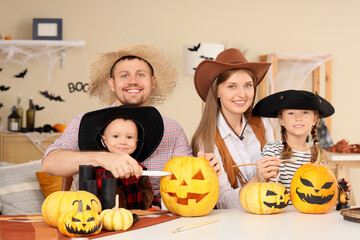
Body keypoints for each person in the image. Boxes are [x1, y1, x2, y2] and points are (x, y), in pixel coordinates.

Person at [42, 44, 220, 200]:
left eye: (140, 75)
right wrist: (102, 158)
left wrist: (204, 168)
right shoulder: (84, 122)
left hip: (153, 223)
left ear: (153, 82)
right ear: (112, 84)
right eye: (124, 75)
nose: (133, 81)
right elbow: (49, 163)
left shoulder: (172, 130)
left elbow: (188, 178)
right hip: (93, 220)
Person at [191, 48, 274, 209]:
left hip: (268, 213)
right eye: (232, 86)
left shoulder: (263, 124)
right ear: (217, 91)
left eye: (248, 85)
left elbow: (277, 179)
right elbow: (222, 200)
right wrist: (257, 179)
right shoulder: (206, 139)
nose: (242, 94)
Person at [252, 89, 352, 195]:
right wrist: (269, 175)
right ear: (281, 120)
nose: (298, 118)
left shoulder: (318, 155)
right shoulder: (272, 150)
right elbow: (267, 190)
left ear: (314, 119)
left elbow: (318, 191)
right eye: (291, 113)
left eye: (305, 112)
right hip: (281, 210)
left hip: (309, 211)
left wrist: (335, 189)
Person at [77, 105, 164, 210]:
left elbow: (148, 191)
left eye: (129, 137)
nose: (123, 142)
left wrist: (155, 205)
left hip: (140, 217)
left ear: (137, 141)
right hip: (110, 218)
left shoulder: (138, 167)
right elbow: (93, 197)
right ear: (103, 140)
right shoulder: (99, 169)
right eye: (115, 136)